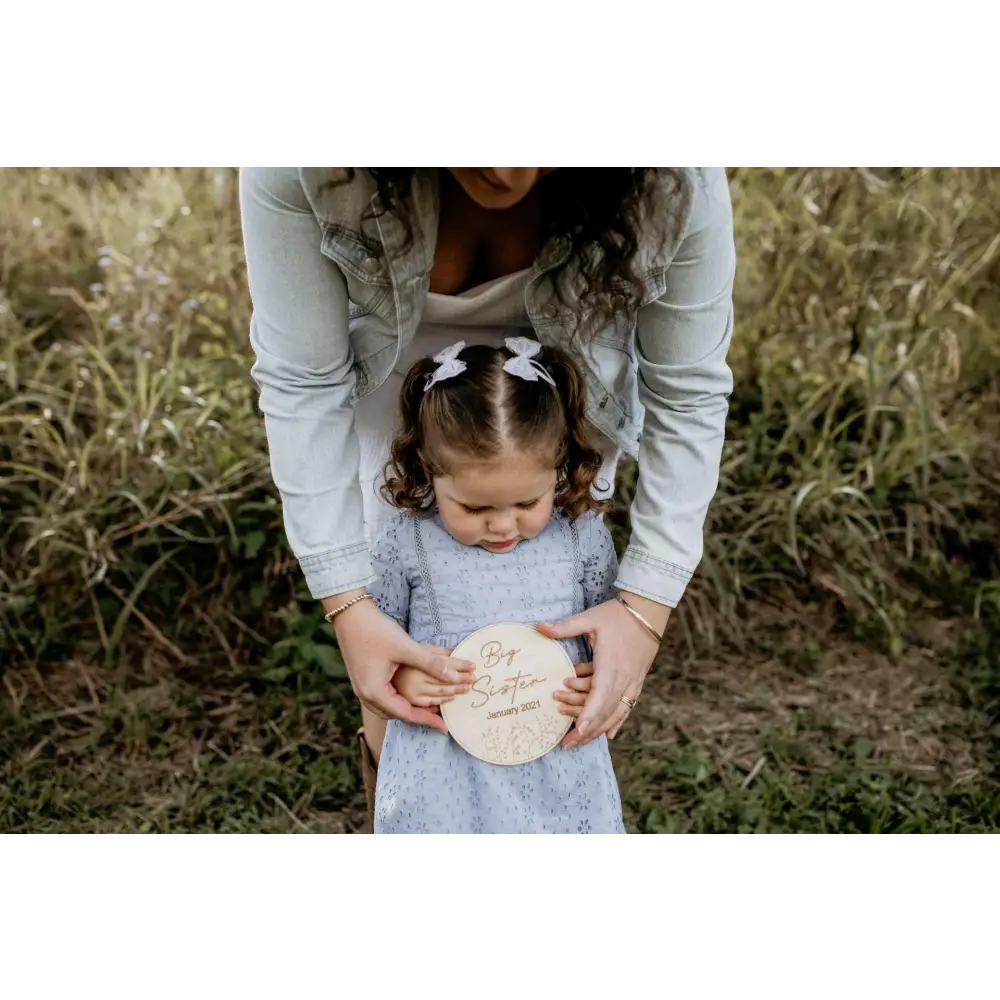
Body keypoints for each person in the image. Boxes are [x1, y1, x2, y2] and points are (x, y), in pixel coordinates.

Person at [239, 160, 735, 832]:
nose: (505, 171)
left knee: (542, 684)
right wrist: (351, 609)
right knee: (406, 704)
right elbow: (302, 384)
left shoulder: (673, 176)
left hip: (548, 436)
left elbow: (689, 391)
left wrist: (643, 613)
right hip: (400, 437)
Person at [369, 339, 626, 835]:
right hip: (445, 768)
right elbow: (377, 636)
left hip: (558, 761)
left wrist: (598, 680)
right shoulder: (408, 540)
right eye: (475, 508)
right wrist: (401, 679)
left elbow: (611, 629)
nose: (503, 526)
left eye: (528, 503)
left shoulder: (580, 534)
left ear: (558, 466)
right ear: (426, 468)